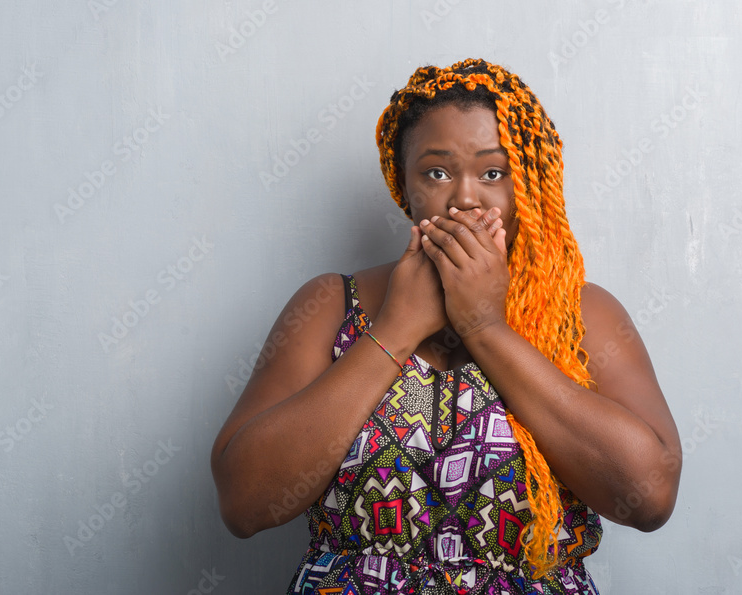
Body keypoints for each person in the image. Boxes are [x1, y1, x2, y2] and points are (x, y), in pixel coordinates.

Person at [211, 58, 682, 594]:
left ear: (528, 184)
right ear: (403, 185)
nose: (464, 197)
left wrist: (485, 326)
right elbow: (243, 504)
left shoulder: (583, 314)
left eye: (493, 172)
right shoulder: (329, 305)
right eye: (436, 172)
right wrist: (393, 332)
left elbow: (650, 497)